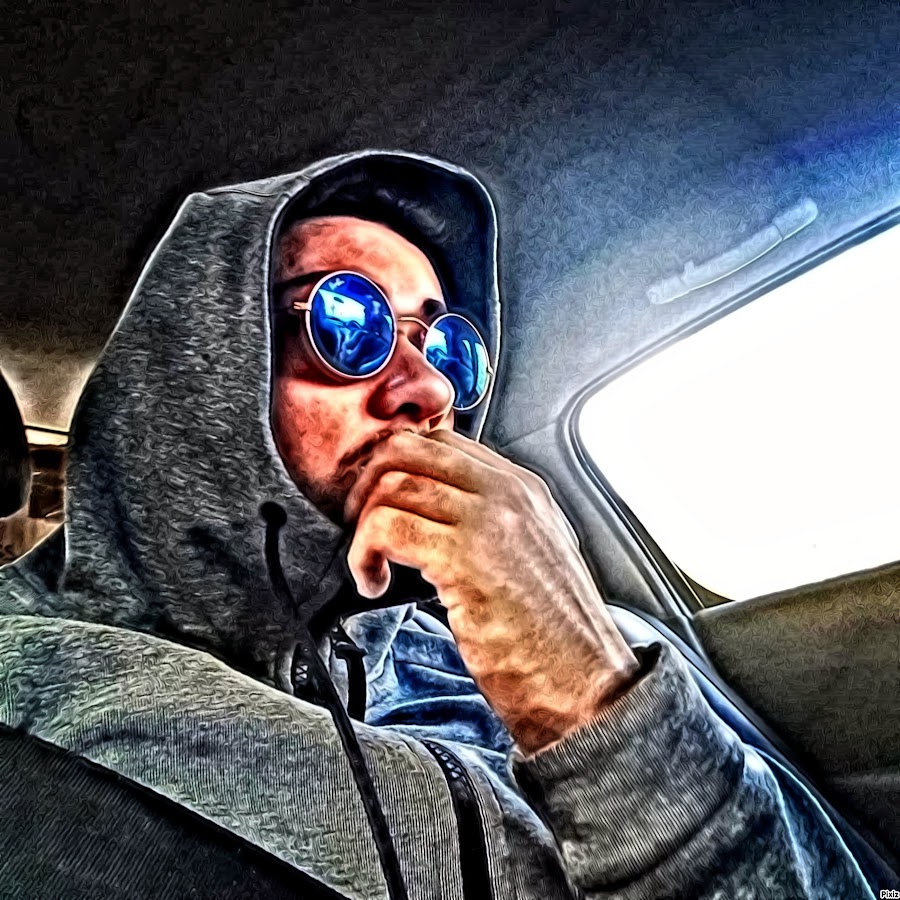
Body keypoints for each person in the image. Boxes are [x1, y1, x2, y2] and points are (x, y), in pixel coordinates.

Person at [0, 150, 881, 899]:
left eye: (444, 346)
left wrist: (592, 701)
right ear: (197, 373)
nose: (430, 389)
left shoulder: (612, 646)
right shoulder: (35, 690)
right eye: (347, 320)